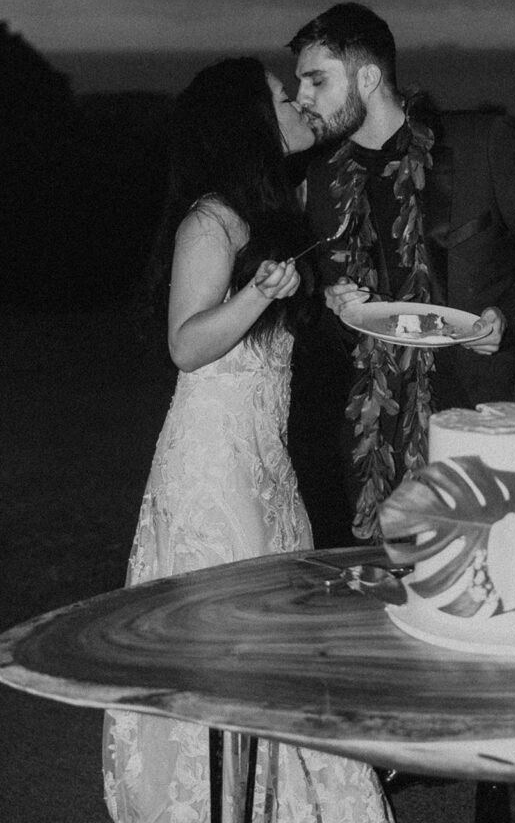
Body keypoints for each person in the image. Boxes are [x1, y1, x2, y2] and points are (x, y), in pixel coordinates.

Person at [102, 58, 393, 823]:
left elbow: (267, 335)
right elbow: (186, 345)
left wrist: (325, 295)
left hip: (265, 459)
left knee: (281, 641)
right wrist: (254, 295)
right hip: (212, 459)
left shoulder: (275, 209)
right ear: (244, 123)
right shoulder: (210, 221)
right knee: (227, 642)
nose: (296, 99)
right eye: (278, 95)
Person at [288, 4, 515, 541]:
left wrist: (510, 317)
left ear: (369, 77)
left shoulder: (486, 144)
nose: (302, 97)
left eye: (316, 80)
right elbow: (330, 323)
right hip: (384, 434)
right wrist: (333, 302)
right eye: (299, 83)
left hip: (498, 415)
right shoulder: (323, 180)